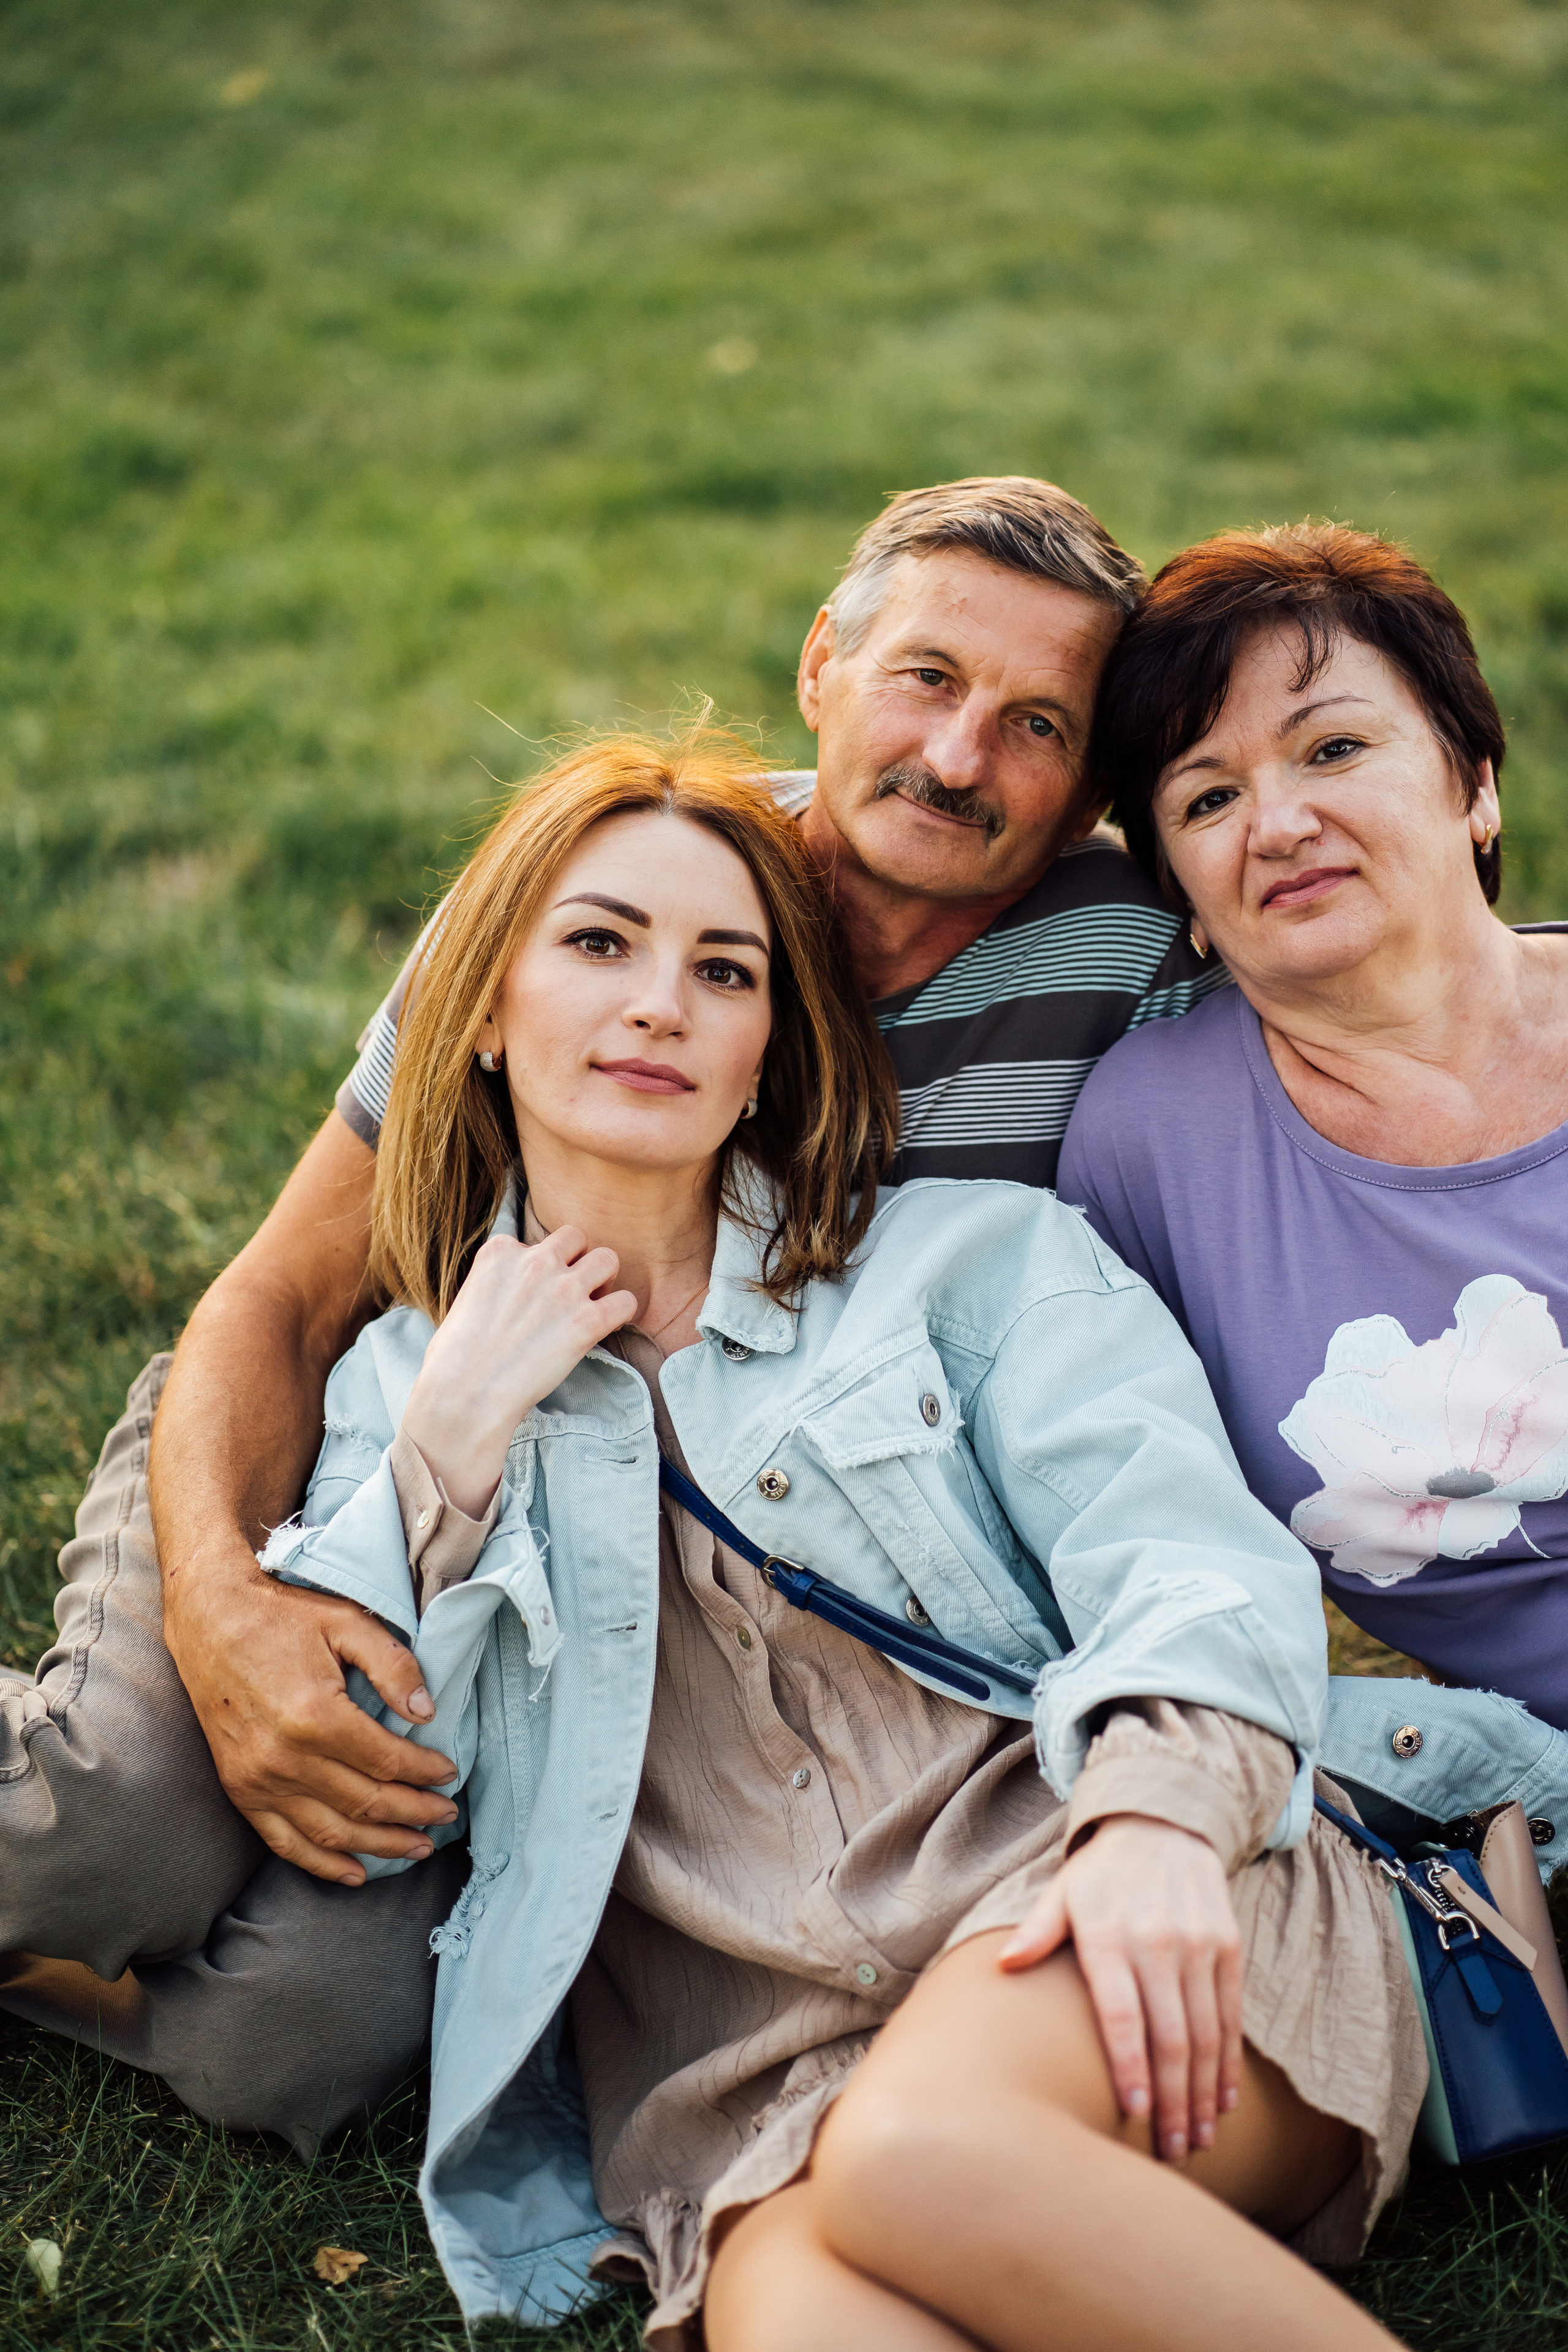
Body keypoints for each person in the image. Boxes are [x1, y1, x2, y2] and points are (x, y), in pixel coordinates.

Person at [1, 475, 1222, 2099]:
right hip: (381, 1439)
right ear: (822, 665)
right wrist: (228, 1607)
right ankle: (116, 1848)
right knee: (118, 1815)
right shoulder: (598, 892)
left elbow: (1393, 996)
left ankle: (92, 1971)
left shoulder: (1138, 959)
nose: (956, 758)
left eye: (1037, 725)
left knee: (298, 2034)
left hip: (635, 1586)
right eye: (926, 678)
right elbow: (282, 1302)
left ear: (1091, 788)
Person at [234, 736, 1417, 2345]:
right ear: (487, 1013)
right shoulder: (396, 1390)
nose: (661, 1005)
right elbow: (358, 1796)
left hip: (1103, 1901)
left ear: (766, 1046)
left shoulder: (970, 1262)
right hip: (762, 2082)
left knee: (925, 2150)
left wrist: (1159, 1821)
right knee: (798, 2315)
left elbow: (1192, 1566)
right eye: (598, 944)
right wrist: (446, 1457)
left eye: (724, 972)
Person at [1058, 522, 1568, 1857]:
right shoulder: (1146, 1141)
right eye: (1205, 797)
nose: (1278, 823)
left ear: (1472, 782)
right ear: (1173, 885)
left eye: (1332, 749)